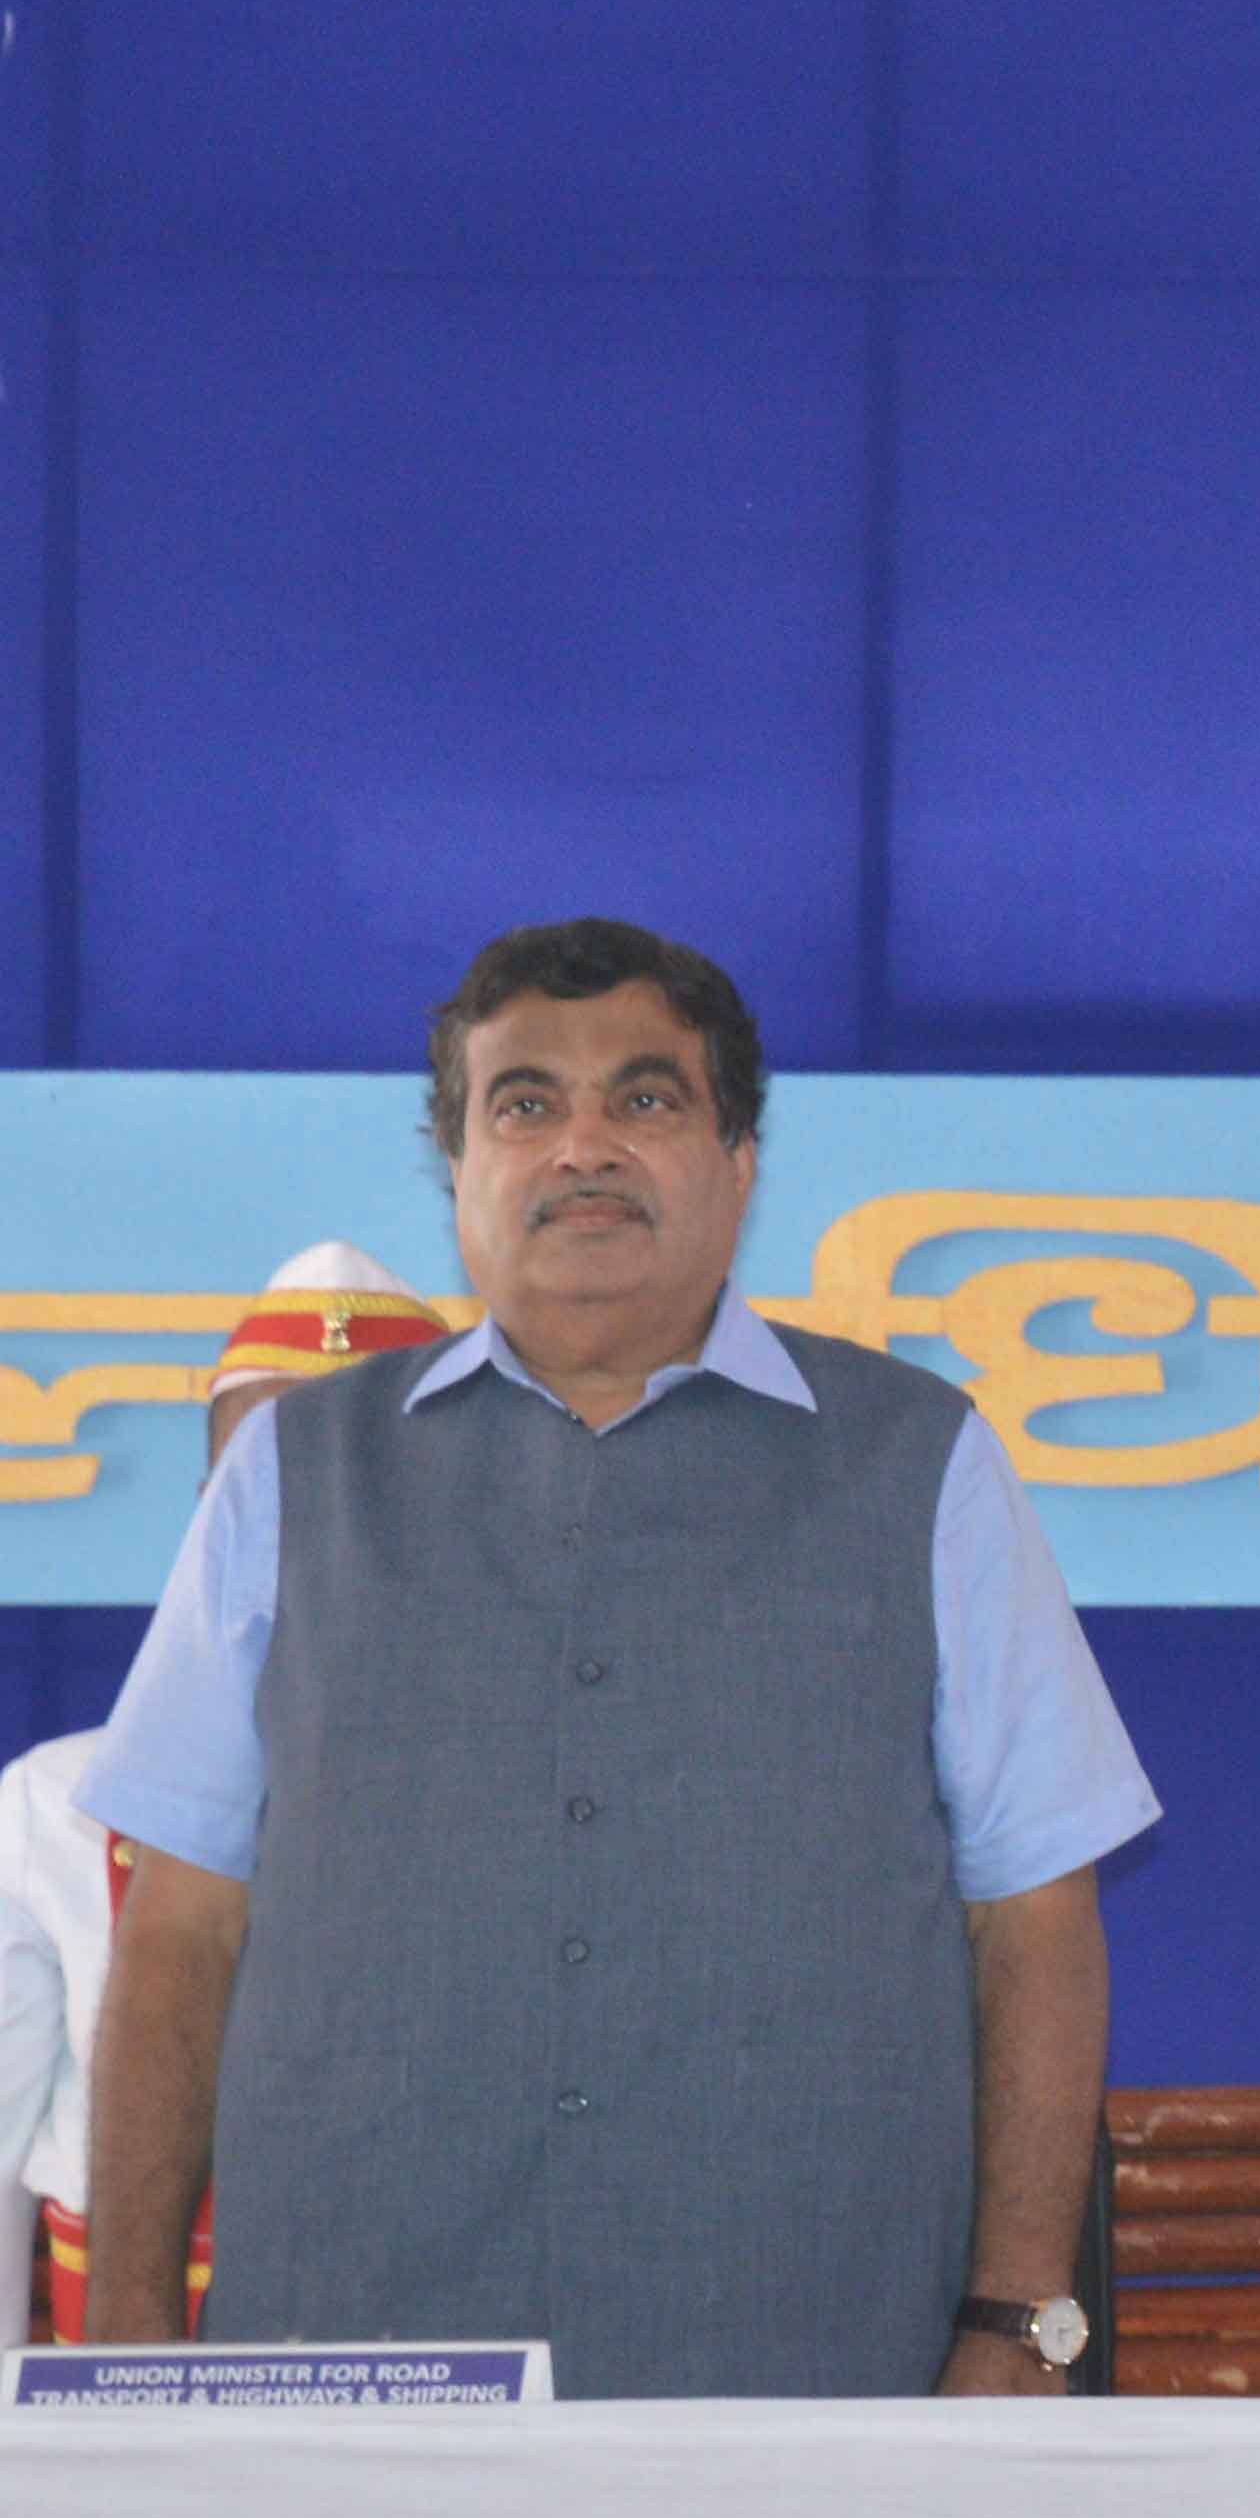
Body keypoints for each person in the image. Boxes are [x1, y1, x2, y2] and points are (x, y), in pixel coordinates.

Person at [70, 926, 1158, 2397]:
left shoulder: (924, 1462)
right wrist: (132, 2344)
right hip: (352, 2389)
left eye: (645, 1099)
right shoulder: (294, 1476)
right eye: (524, 1104)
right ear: (455, 1168)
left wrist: (1016, 2320)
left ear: (739, 1161)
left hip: (813, 2377)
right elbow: (180, 1931)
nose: (583, 1145)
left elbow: (1032, 1919)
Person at [14, 1246, 454, 2338]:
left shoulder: (563, 1792)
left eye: (350, 1496)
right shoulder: (54, 1804)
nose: (295, 1536)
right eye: (251, 1497)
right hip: (124, 2411)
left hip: (454, 2390)